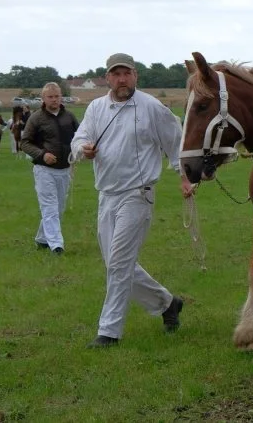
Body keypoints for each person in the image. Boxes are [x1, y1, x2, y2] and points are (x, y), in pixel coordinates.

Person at [70, 53, 192, 348]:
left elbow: (175, 143)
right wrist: (82, 149)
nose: (121, 79)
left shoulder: (152, 107)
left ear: (135, 76)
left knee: (120, 263)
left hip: (138, 194)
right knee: (115, 263)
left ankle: (108, 332)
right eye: (116, 74)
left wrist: (185, 176)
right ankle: (167, 303)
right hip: (106, 195)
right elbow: (76, 141)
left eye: (126, 74)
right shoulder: (97, 108)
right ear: (107, 77)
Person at [20, 82, 81, 255]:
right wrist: (42, 154)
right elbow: (25, 142)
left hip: (65, 170)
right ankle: (56, 246)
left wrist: (80, 149)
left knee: (59, 208)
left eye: (57, 96)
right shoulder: (36, 118)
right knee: (49, 207)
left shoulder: (69, 116)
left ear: (61, 97)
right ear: (43, 98)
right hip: (44, 170)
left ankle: (41, 239)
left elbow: (79, 136)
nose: (54, 100)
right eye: (50, 97)